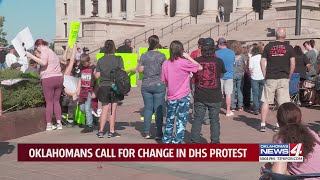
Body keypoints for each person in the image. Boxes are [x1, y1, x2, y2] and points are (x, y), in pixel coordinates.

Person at [260, 102, 320, 178]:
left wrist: (269, 169)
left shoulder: (282, 139)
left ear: (279, 121)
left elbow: (278, 174)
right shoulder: (311, 133)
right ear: (300, 118)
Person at [161, 40, 203, 144]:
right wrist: (188, 57)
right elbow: (200, 67)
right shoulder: (184, 62)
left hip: (171, 95)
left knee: (169, 119)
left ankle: (166, 140)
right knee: (181, 120)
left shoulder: (165, 63)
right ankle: (177, 141)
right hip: (183, 95)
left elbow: (164, 80)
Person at [190, 38, 226, 144]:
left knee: (198, 119)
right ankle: (215, 141)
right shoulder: (218, 61)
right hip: (214, 94)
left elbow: (193, 76)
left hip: (200, 94)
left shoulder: (197, 61)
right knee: (214, 119)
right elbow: (222, 74)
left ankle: (195, 141)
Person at [260, 28, 295, 132]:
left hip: (270, 76)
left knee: (266, 100)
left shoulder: (268, 46)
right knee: (282, 102)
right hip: (283, 77)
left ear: (275, 35)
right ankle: (278, 124)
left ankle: (262, 124)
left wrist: (264, 74)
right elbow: (293, 63)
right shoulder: (289, 47)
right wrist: (289, 76)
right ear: (285, 36)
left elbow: (262, 62)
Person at [26, 39, 64, 131]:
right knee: (56, 101)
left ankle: (49, 124)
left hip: (48, 78)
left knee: (49, 102)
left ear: (39, 45)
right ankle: (59, 123)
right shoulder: (52, 52)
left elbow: (44, 63)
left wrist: (30, 55)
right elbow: (47, 60)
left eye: (37, 48)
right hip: (59, 77)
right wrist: (37, 55)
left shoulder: (44, 51)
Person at [138, 35, 166, 139]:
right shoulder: (162, 55)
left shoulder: (144, 55)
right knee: (158, 109)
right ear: (158, 43)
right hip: (158, 84)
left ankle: (146, 132)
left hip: (146, 84)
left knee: (148, 109)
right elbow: (165, 69)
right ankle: (159, 133)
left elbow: (140, 70)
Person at [95, 40, 124, 138]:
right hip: (114, 86)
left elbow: (97, 75)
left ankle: (101, 131)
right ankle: (111, 131)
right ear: (114, 48)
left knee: (104, 109)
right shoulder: (118, 59)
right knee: (113, 109)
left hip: (103, 86)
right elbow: (122, 73)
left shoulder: (101, 60)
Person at [76, 54, 97, 133]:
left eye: (85, 63)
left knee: (87, 108)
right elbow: (79, 79)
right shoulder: (81, 68)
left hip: (89, 90)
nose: (84, 65)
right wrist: (78, 90)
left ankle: (89, 126)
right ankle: (93, 115)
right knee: (82, 108)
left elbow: (97, 81)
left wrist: (95, 91)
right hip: (82, 90)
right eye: (82, 63)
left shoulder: (93, 68)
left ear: (89, 61)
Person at [215, 37, 235, 116]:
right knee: (228, 94)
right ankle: (228, 110)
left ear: (220, 44)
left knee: (219, 94)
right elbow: (233, 62)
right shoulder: (232, 52)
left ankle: (217, 110)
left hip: (219, 75)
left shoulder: (216, 53)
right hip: (229, 75)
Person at [249, 46, 265, 115]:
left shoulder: (252, 58)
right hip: (262, 76)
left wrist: (251, 75)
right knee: (261, 93)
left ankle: (256, 109)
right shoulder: (263, 57)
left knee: (255, 93)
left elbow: (250, 69)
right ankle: (261, 107)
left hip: (254, 77)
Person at [231, 42, 245, 111]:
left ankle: (232, 106)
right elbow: (245, 64)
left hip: (233, 73)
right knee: (240, 90)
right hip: (240, 73)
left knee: (233, 90)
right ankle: (240, 106)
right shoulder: (242, 56)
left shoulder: (231, 55)